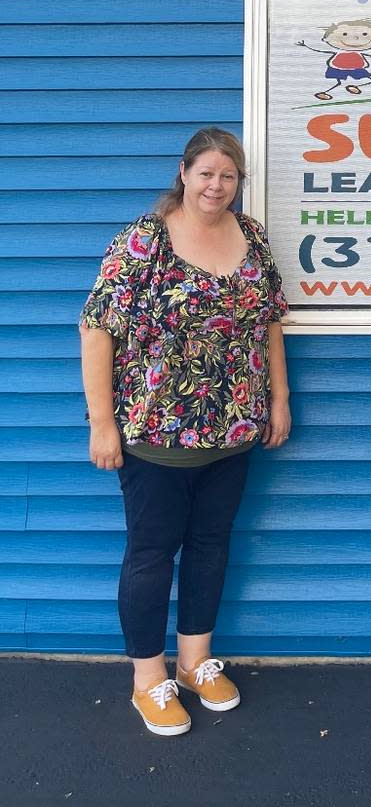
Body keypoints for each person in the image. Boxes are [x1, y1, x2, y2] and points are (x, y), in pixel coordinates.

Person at [79, 128, 291, 737]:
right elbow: (97, 329)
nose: (216, 186)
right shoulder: (144, 241)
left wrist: (278, 397)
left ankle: (196, 661)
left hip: (234, 429)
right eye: (206, 174)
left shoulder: (251, 237)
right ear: (183, 173)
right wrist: (102, 424)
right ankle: (149, 679)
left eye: (228, 176)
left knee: (210, 547)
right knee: (151, 556)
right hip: (155, 431)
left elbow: (269, 322)